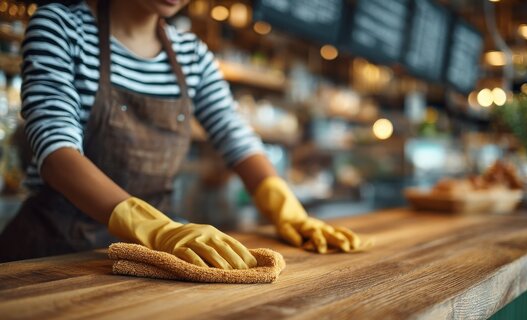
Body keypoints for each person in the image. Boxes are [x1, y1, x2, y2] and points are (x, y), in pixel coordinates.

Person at [0, 0, 363, 265]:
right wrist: (158, 229)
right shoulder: (61, 27)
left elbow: (236, 137)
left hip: (154, 258)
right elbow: (55, 151)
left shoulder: (192, 55)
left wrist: (286, 209)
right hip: (56, 253)